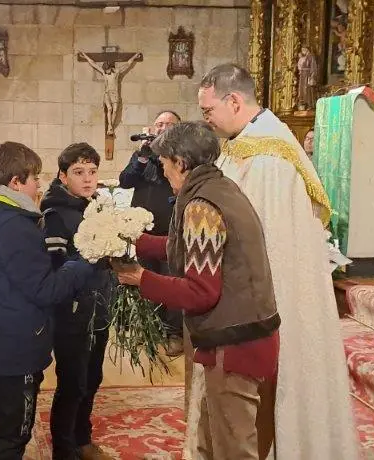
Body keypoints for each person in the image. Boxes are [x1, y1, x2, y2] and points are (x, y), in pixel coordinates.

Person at [197, 63, 360, 460]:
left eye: (208, 111)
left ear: (234, 100)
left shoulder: (269, 159)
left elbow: (267, 244)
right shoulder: (244, 144)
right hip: (242, 299)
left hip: (271, 299)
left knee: (276, 393)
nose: (206, 121)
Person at [112, 122, 280, 459]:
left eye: (164, 163)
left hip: (234, 343)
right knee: (212, 435)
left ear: (180, 162)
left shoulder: (201, 207)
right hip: (248, 332)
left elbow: (202, 291)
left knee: (234, 446)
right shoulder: (221, 188)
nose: (163, 170)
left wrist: (141, 278)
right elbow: (192, 247)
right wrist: (137, 240)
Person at [0, 141, 96, 460]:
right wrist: (85, 261)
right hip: (13, 348)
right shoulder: (14, 228)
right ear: (15, 182)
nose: (39, 184)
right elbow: (46, 289)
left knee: (6, 427)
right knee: (13, 433)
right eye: (34, 177)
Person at [41, 143, 114, 460]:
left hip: (100, 307)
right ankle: (63, 448)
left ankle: (82, 439)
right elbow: (55, 267)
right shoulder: (55, 214)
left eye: (93, 172)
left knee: (93, 377)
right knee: (72, 382)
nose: (87, 179)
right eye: (79, 172)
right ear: (62, 175)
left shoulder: (99, 207)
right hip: (71, 312)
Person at [118, 111, 183, 355]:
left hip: (170, 232)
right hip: (143, 233)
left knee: (171, 282)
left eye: (168, 124)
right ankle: (150, 329)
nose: (163, 128)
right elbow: (125, 181)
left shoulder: (181, 158)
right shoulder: (144, 155)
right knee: (145, 281)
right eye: (159, 124)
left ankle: (173, 333)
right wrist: (142, 156)